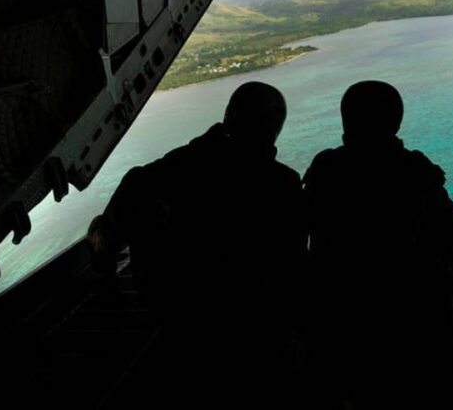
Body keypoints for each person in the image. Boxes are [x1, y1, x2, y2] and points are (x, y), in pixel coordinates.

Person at [87, 81, 307, 406]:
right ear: (274, 132)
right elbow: (294, 272)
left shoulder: (157, 176)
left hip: (174, 322)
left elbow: (106, 241)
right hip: (254, 333)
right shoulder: (285, 187)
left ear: (229, 117)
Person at [304, 80, 453, 409]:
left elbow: (303, 226)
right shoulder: (415, 170)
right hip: (409, 314)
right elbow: (448, 229)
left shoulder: (325, 168)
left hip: (337, 313)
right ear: (396, 122)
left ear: (345, 121)